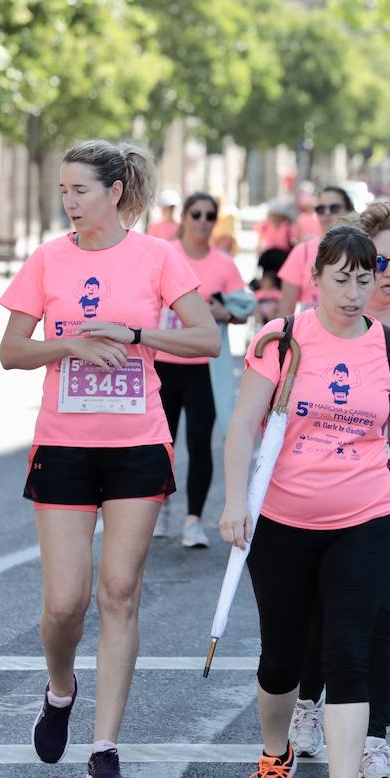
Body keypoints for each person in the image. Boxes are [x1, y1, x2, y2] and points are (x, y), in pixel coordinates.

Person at [0, 141, 220, 778]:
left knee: (119, 593)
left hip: (137, 445)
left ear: (115, 192)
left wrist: (137, 335)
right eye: (63, 191)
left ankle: (104, 746)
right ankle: (60, 688)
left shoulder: (157, 257)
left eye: (80, 191)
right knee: (65, 603)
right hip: (63, 445)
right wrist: (69, 345)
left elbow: (205, 338)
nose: (69, 203)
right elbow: (11, 350)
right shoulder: (47, 260)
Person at [221, 224, 390, 778]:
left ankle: (344, 772)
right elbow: (243, 424)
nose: (354, 292)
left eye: (366, 279)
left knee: (348, 653)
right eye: (341, 279)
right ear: (315, 280)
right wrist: (235, 502)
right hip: (283, 517)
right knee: (282, 654)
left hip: (365, 516)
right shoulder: (281, 339)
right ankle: (274, 752)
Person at [287, 204, 390, 778]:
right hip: (325, 493)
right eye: (372, 262)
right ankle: (307, 704)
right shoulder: (313, 331)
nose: (383, 274)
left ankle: (371, 740)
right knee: (321, 612)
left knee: (382, 615)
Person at [154, 192, 252, 548]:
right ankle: (160, 507)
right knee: (159, 444)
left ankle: (193, 519)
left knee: (199, 445)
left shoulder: (223, 263)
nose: (202, 221)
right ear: (184, 217)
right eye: (196, 214)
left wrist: (223, 311)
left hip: (203, 369)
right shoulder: (164, 252)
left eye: (210, 216)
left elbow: (242, 308)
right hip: (161, 362)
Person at [279, 186, 354, 315]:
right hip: (308, 333)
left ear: (349, 212)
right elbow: (285, 310)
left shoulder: (364, 250)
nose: (327, 213)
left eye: (334, 208)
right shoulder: (302, 251)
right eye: (320, 209)